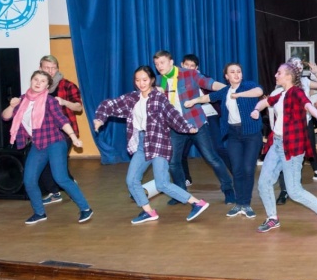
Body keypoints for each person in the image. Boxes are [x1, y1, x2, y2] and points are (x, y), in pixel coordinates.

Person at [94, 66, 210, 224]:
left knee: (162, 183)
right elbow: (109, 104)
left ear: (152, 80)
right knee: (131, 180)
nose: (141, 83)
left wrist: (188, 127)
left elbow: (172, 114)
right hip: (142, 144)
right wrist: (100, 118)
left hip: (158, 142)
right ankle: (148, 211)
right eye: (137, 80)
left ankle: (196, 203)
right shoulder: (132, 98)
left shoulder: (158, 98)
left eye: (144, 80)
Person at [251, 61, 317, 235]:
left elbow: (308, 105)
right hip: (277, 144)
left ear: (288, 76)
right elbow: (265, 102)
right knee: (263, 183)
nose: (275, 75)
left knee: (294, 191)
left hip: (292, 147)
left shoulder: (297, 92)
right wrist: (256, 109)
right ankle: (272, 218)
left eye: (279, 72)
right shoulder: (280, 94)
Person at [2, 70, 93, 225]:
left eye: (42, 81)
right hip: (38, 144)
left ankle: (85, 208)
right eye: (36, 79)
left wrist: (73, 137)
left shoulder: (49, 101)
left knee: (61, 178)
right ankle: (39, 213)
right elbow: (5, 117)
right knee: (29, 180)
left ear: (47, 86)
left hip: (55, 143)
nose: (38, 83)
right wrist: (11, 106)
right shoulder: (22, 100)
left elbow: (62, 120)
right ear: (31, 81)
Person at [153, 50, 235, 204]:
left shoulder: (189, 74)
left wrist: (230, 89)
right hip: (176, 127)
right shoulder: (159, 81)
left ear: (171, 62)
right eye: (156, 64)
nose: (159, 66)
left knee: (211, 157)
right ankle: (181, 194)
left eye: (162, 62)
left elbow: (210, 84)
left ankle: (228, 189)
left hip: (196, 123)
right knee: (173, 162)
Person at [184, 62, 263, 218]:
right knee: (237, 169)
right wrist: (193, 101)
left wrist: (239, 95)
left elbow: (259, 91)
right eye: (232, 72)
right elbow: (208, 97)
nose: (236, 74)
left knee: (248, 169)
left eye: (238, 71)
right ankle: (239, 203)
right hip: (234, 134)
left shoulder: (248, 86)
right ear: (226, 76)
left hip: (252, 134)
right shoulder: (225, 91)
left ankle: (246, 204)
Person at [35, 55, 82, 204]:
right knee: (47, 164)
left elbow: (78, 107)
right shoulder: (37, 87)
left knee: (55, 164)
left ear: (57, 69)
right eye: (46, 68)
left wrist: (64, 102)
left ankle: (71, 189)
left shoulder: (68, 85)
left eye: (53, 68)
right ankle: (55, 192)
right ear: (40, 68)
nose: (50, 71)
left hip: (65, 133)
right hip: (44, 133)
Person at [179, 54, 230, 188]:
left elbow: (216, 89)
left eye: (192, 66)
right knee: (180, 152)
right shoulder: (177, 82)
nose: (189, 68)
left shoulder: (202, 78)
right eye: (186, 65)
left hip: (209, 115)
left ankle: (235, 173)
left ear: (197, 68)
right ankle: (186, 178)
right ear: (181, 65)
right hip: (189, 119)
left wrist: (230, 89)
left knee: (218, 147)